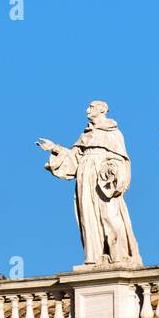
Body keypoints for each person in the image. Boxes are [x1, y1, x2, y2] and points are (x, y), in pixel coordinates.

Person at [37, 100, 141, 266]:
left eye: (91, 107)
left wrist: (112, 172)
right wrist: (54, 147)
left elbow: (122, 159)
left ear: (101, 110)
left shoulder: (113, 132)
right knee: (88, 216)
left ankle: (118, 255)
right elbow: (74, 158)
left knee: (109, 215)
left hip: (103, 179)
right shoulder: (86, 134)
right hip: (85, 178)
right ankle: (94, 256)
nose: (87, 110)